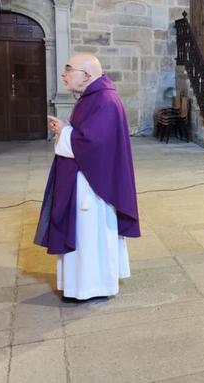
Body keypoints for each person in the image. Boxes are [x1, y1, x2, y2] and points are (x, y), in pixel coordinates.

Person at [36, 54, 140, 302]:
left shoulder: (104, 100)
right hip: (83, 179)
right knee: (85, 233)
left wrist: (65, 131)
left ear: (87, 74)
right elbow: (86, 134)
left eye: (68, 69)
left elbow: (93, 145)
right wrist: (66, 128)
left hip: (92, 186)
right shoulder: (92, 97)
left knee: (89, 234)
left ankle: (92, 286)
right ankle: (81, 284)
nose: (64, 74)